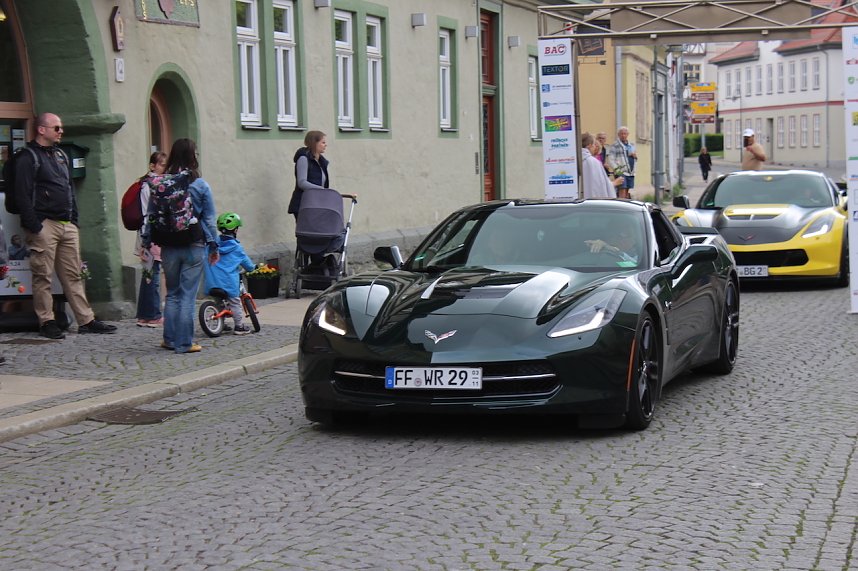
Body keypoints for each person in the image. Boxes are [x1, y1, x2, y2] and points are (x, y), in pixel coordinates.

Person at [12, 112, 117, 339]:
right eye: (57, 128)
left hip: (66, 223)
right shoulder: (27, 157)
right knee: (43, 276)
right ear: (42, 130)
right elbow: (21, 195)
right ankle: (47, 321)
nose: (61, 131)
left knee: (74, 275)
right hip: (44, 224)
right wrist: (35, 225)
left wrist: (74, 221)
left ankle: (86, 320)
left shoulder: (60, 155)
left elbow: (69, 188)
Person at [143, 138, 219, 354]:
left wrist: (147, 242)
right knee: (187, 295)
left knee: (173, 294)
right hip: (193, 244)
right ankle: (185, 343)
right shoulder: (200, 184)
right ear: (193, 156)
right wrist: (214, 246)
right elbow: (210, 219)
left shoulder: (161, 184)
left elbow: (150, 216)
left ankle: (169, 339)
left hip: (168, 245)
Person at [203, 212, 256, 335]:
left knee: (218, 302)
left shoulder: (212, 246)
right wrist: (253, 268)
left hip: (212, 283)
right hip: (228, 284)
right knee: (235, 302)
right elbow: (248, 265)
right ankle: (239, 326)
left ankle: (221, 322)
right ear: (236, 230)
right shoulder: (237, 248)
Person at [287, 130, 356, 221]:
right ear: (314, 143)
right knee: (308, 233)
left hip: (316, 203)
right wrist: (322, 190)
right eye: (323, 142)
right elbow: (302, 183)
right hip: (303, 204)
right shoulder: (303, 158)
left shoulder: (321, 161)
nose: (325, 145)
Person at [135, 151, 167, 327]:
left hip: (146, 233)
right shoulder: (152, 185)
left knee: (148, 275)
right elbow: (151, 212)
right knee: (152, 275)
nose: (164, 168)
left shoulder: (145, 183)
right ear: (152, 166)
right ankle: (153, 315)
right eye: (161, 164)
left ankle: (144, 315)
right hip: (151, 234)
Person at [581, 132, 623, 199]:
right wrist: (614, 183)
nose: (595, 147)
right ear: (589, 145)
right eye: (594, 144)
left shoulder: (573, 159)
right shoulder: (594, 162)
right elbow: (601, 186)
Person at [606, 126, 637, 199]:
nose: (623, 135)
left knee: (627, 190)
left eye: (625, 134)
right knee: (622, 189)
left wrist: (635, 156)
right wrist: (617, 170)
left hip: (630, 172)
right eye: (622, 134)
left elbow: (634, 156)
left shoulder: (631, 145)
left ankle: (625, 203)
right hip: (621, 171)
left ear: (628, 134)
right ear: (618, 135)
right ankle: (621, 204)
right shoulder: (615, 145)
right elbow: (611, 159)